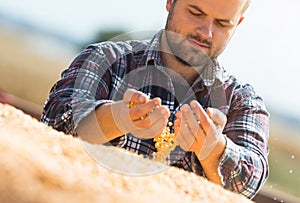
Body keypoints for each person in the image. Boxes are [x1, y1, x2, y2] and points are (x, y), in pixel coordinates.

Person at [41, 0, 269, 199]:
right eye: (196, 13)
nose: (206, 32)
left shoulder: (242, 102)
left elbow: (250, 184)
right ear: (170, 1)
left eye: (222, 23)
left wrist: (213, 149)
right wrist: (117, 118)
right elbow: (53, 123)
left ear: (237, 23)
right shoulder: (106, 61)